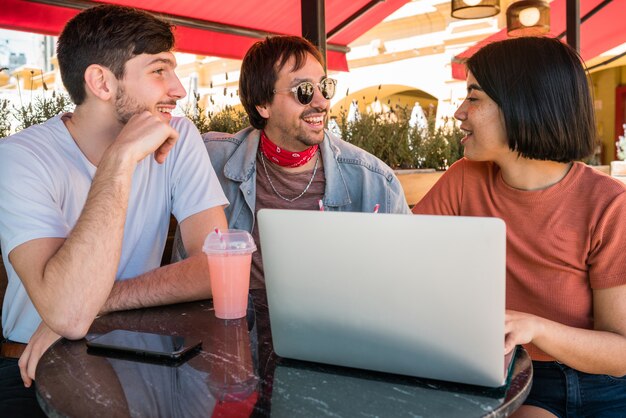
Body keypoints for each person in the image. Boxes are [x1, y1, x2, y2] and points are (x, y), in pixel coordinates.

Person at [0, 5, 228, 415]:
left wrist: (99, 302)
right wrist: (119, 160)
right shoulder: (20, 158)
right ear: (101, 82)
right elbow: (70, 315)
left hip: (138, 347)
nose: (178, 89)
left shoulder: (178, 134)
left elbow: (217, 264)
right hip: (30, 360)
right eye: (159, 70)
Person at [413, 36, 626, 417]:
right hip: (510, 375)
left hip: (602, 386)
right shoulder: (465, 179)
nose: (459, 112)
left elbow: (621, 352)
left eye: (474, 97)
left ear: (524, 105)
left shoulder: (610, 205)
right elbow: (402, 258)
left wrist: (536, 328)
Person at [173, 36, 410, 288]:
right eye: (304, 91)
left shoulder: (374, 181)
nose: (321, 103)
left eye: (325, 87)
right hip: (230, 325)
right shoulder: (209, 159)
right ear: (263, 104)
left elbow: (406, 277)